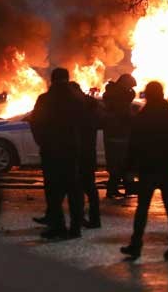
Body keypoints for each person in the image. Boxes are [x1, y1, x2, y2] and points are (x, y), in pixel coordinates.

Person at [120, 82, 168, 260]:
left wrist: (129, 168)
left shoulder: (142, 117)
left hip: (148, 168)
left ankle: (136, 245)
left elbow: (134, 145)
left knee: (142, 208)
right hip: (167, 167)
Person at [30, 68, 85, 239]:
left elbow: (35, 123)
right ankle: (76, 229)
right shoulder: (77, 100)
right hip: (72, 151)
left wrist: (43, 142)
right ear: (67, 79)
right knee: (74, 191)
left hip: (51, 152)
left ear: (52, 80)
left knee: (53, 191)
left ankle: (58, 226)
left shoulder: (45, 99)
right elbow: (89, 121)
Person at [70, 82, 101, 229]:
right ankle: (94, 219)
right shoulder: (92, 106)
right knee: (89, 188)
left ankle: (80, 218)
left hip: (79, 153)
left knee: (79, 188)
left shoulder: (78, 109)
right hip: (89, 153)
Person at [102, 74, 137, 198]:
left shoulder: (114, 94)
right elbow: (123, 113)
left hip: (118, 134)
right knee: (119, 163)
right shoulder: (117, 97)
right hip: (117, 135)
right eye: (129, 86)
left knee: (123, 163)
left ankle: (126, 187)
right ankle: (114, 188)